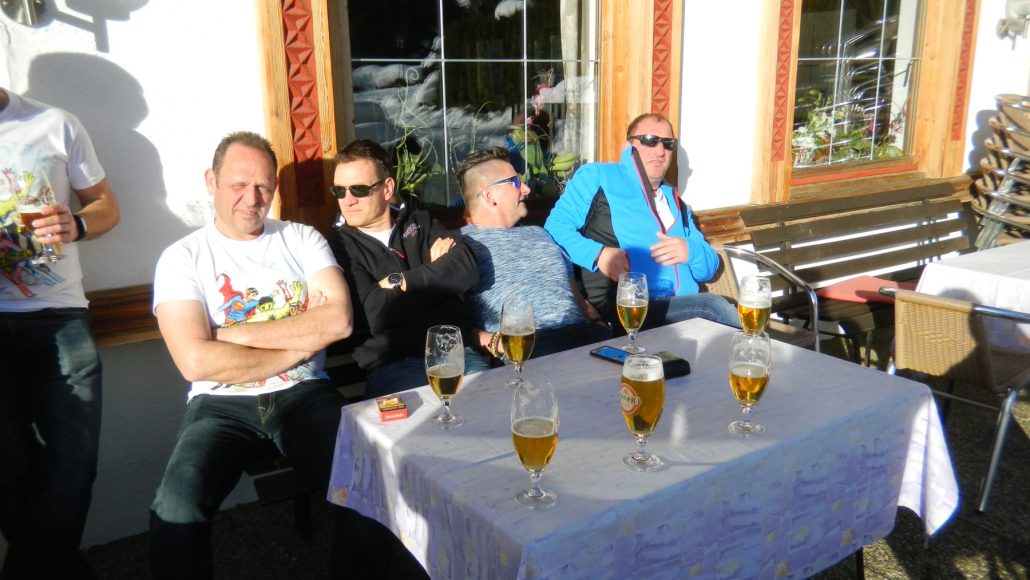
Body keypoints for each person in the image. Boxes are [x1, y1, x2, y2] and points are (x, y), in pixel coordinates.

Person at [150, 131, 363, 578]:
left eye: (264, 186)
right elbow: (196, 362)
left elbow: (339, 322)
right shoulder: (182, 258)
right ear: (211, 181)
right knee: (175, 508)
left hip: (305, 394)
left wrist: (227, 335)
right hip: (219, 403)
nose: (252, 199)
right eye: (238, 185)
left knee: (364, 486)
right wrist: (304, 340)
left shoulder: (301, 239)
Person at [0, 87, 121, 579]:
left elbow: (106, 205)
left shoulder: (55, 123)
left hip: (59, 315)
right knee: (8, 468)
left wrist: (78, 225)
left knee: (74, 463)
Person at [544, 112, 740, 329]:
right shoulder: (599, 177)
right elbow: (554, 228)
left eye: (668, 144)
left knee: (718, 308)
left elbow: (709, 268)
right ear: (628, 146)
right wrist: (598, 254)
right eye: (650, 140)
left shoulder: (677, 203)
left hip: (683, 308)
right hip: (630, 307)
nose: (660, 150)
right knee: (713, 307)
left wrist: (690, 251)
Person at [329, 139, 489, 397]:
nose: (348, 201)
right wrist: (437, 278)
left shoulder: (420, 222)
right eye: (339, 191)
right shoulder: (340, 247)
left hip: (455, 353)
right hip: (395, 365)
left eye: (358, 189)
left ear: (387, 188)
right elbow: (373, 314)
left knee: (491, 402)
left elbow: (466, 270)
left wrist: (397, 282)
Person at [456, 147, 610, 359]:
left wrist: (599, 324)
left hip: (586, 335)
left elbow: (575, 294)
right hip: (531, 344)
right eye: (515, 182)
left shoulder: (540, 233)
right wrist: (498, 344)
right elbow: (452, 320)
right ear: (490, 196)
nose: (527, 189)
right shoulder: (461, 245)